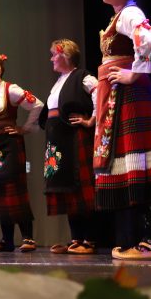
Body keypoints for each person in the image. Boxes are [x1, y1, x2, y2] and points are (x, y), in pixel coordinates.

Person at [94, 0, 151, 260]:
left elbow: (150, 41)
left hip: (130, 96)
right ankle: (134, 241)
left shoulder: (130, 14)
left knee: (136, 160)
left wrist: (133, 73)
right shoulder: (120, 16)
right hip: (119, 97)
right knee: (125, 162)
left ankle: (146, 242)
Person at [0, 52, 43, 252]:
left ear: (2, 69)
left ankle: (28, 238)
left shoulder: (10, 89)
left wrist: (25, 128)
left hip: (9, 145)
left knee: (15, 189)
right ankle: (6, 240)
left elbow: (37, 105)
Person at [39, 39, 98, 255]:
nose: (51, 59)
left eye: (54, 54)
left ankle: (89, 239)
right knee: (67, 191)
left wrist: (91, 120)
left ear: (65, 55)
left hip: (74, 138)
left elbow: (100, 93)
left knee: (80, 189)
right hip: (58, 140)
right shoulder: (59, 81)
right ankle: (76, 238)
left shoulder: (83, 77)